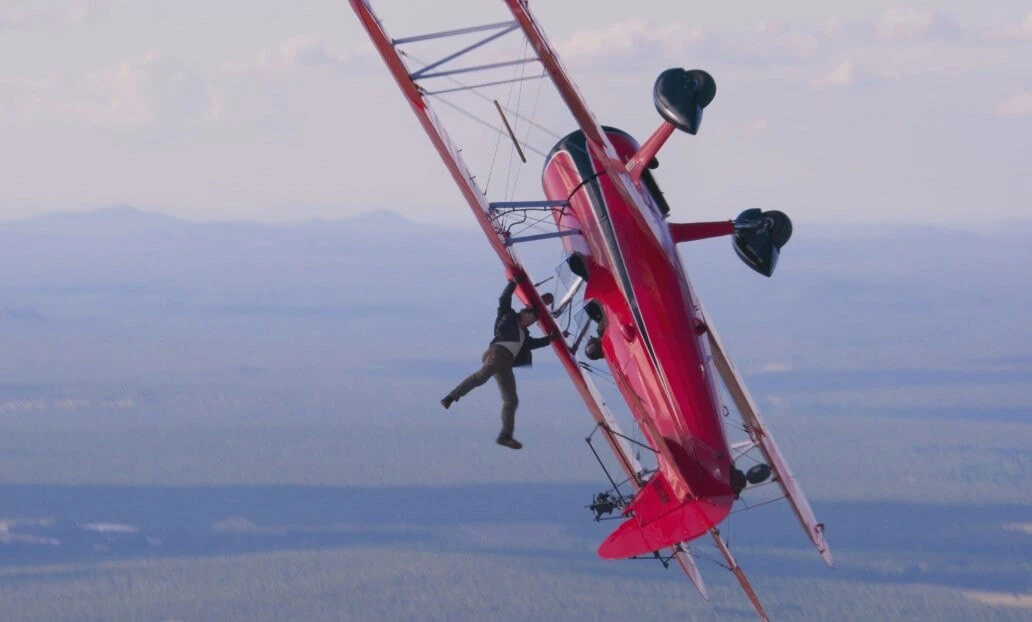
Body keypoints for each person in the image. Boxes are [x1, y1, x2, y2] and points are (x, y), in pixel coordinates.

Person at [440, 275, 558, 449]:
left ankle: (505, 435)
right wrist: (512, 283)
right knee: (482, 376)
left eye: (533, 321)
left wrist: (550, 339)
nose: (531, 321)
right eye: (530, 317)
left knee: (511, 400)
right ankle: (450, 397)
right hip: (497, 353)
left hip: (506, 363)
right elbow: (504, 299)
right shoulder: (508, 316)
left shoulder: (524, 335)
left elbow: (534, 344)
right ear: (523, 313)